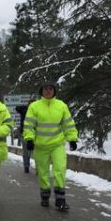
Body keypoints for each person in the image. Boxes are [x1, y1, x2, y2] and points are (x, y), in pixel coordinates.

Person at [23, 83, 78, 211]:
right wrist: (29, 139)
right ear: (41, 91)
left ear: (54, 91)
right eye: (45, 89)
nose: (48, 91)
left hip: (57, 145)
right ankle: (45, 196)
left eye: (50, 89)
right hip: (40, 146)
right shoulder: (34, 106)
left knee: (59, 169)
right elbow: (29, 124)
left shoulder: (61, 106)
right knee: (43, 173)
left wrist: (72, 139)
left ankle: (60, 200)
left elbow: (68, 124)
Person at [15, 99, 33, 173]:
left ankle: (38, 168)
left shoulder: (39, 112)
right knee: (26, 152)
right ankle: (26, 166)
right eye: (31, 104)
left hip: (37, 135)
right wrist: (27, 107)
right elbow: (17, 108)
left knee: (38, 153)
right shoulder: (24, 111)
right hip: (25, 134)